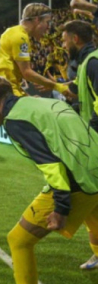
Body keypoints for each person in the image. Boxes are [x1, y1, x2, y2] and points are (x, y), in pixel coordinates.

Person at [0, 76, 98, 284]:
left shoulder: (16, 120)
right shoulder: (37, 104)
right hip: (94, 171)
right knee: (94, 220)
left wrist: (61, 207)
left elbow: (51, 165)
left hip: (77, 182)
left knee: (18, 240)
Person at [60, 18, 98, 269]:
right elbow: (79, 92)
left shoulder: (93, 61)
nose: (62, 45)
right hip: (90, 137)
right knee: (93, 204)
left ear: (75, 39)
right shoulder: (85, 62)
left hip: (94, 139)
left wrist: (92, 134)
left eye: (64, 40)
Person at [0, 3, 69, 97]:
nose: (48, 27)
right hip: (6, 92)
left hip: (2, 89)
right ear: (37, 20)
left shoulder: (11, 32)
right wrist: (57, 86)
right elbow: (27, 72)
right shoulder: (20, 37)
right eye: (47, 22)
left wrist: (28, 96)